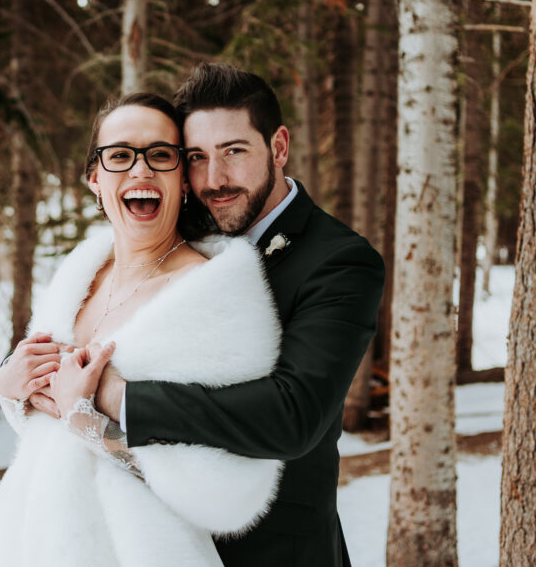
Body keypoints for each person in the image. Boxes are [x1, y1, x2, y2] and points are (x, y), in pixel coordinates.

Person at [90, 64, 386, 566]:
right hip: (159, 539)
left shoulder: (338, 261)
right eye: (197, 158)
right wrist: (23, 365)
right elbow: (98, 296)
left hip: (274, 551)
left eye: (234, 152)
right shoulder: (178, 228)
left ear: (279, 147)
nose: (215, 179)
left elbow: (291, 415)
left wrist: (117, 397)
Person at [0, 93, 285, 567]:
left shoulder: (215, 296)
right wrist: (11, 388)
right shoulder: (77, 277)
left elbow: (231, 483)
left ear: (182, 182)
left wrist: (91, 422)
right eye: (120, 155)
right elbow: (47, 421)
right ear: (95, 180)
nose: (140, 171)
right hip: (34, 540)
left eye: (160, 155)